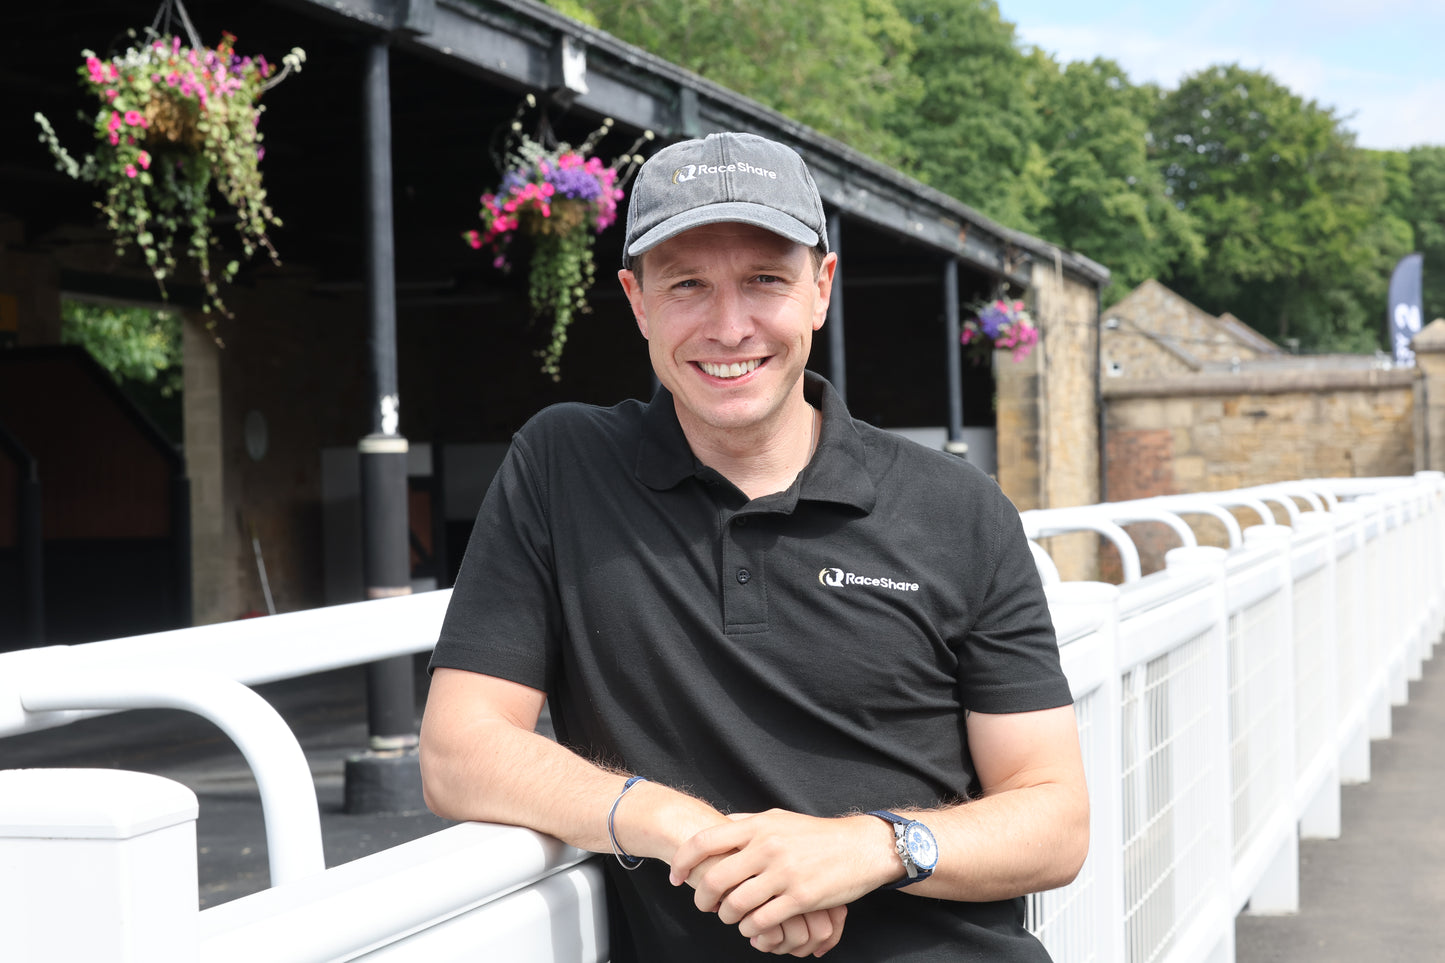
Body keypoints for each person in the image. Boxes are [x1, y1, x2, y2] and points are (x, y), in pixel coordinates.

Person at [420, 131, 1088, 961]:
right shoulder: (563, 468)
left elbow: (1055, 818)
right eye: (688, 284)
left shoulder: (959, 509)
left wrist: (863, 849)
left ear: (821, 288)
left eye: (764, 280)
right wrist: (680, 827)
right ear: (636, 301)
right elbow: (458, 749)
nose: (729, 326)